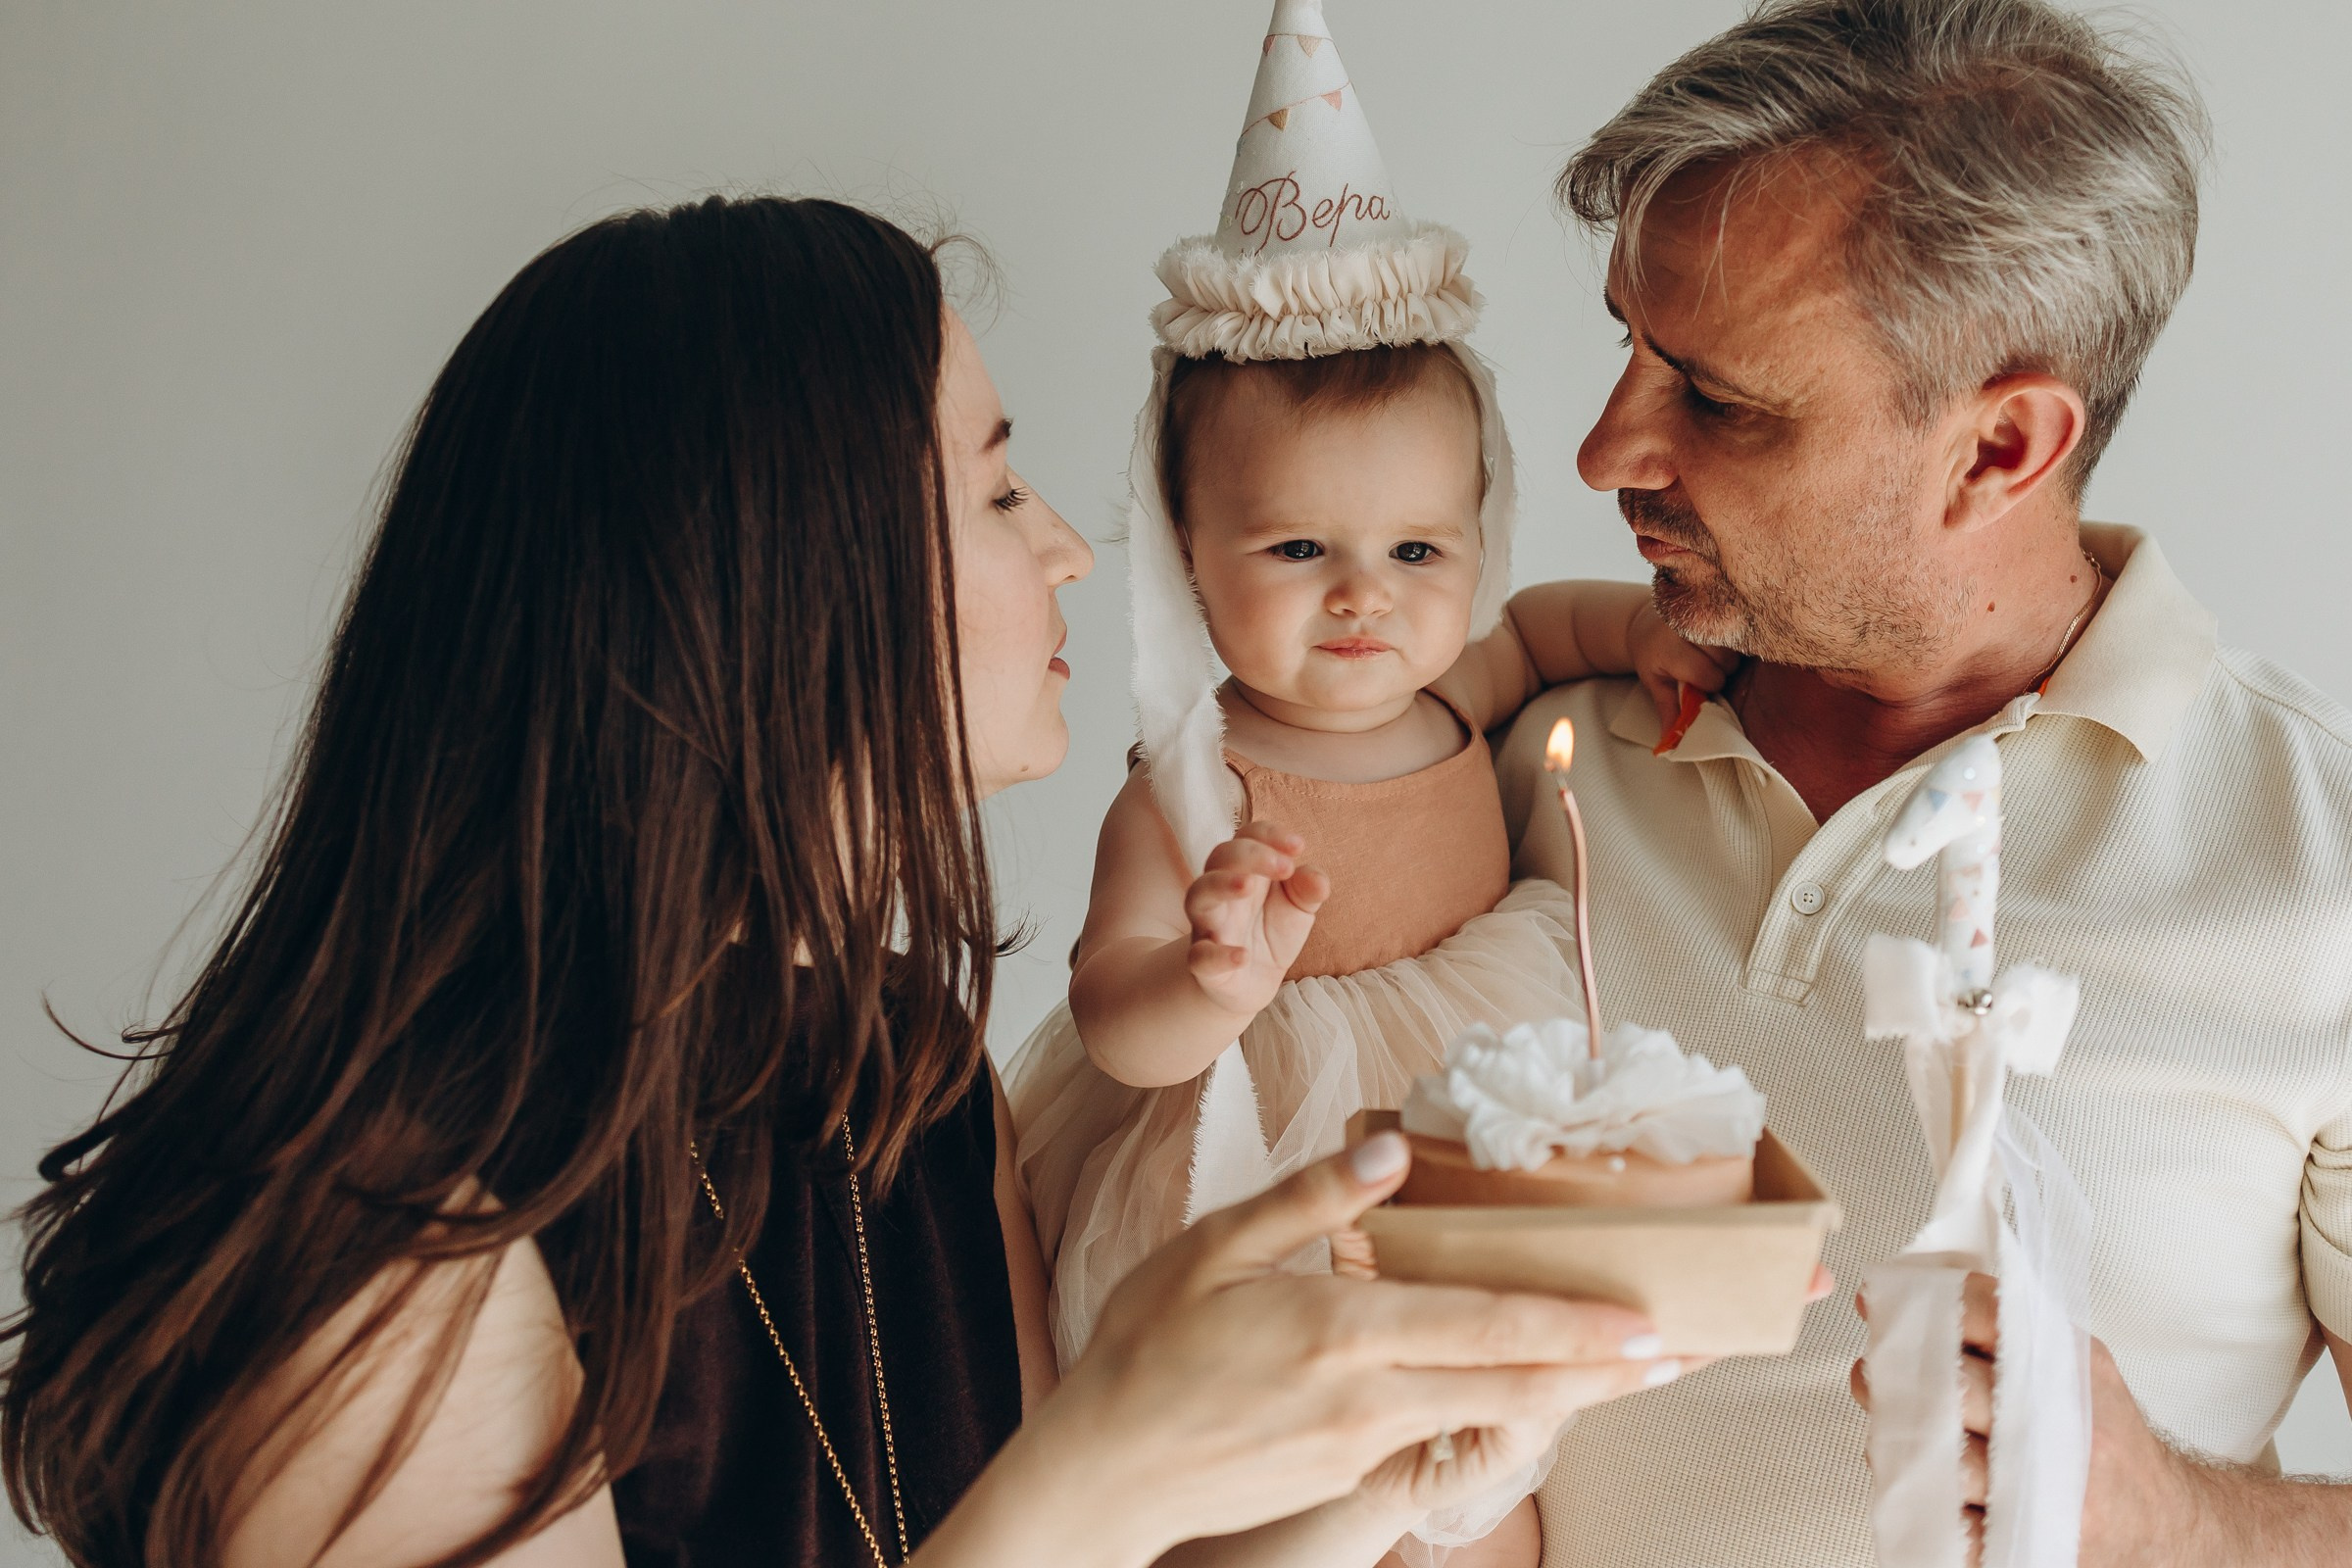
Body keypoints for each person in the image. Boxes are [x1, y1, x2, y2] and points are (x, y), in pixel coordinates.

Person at [0, 196, 1684, 1568]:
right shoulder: (391, 1268)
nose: (1074, 554)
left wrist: (1388, 1477)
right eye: (997, 487)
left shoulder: (905, 1074)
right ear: (779, 581)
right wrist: (1107, 1464)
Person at [1486, 2, 2352, 1565]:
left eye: (1720, 402)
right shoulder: (1521, 748)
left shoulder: (2322, 872)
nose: (1607, 449)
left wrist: (2186, 1520)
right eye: (1630, 346)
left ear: (2001, 448)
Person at [1007, 10, 1730, 1563]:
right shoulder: (1194, 783)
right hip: (1266, 1165)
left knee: (1492, 1483)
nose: (1363, 601)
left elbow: (1545, 631)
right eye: (1295, 553)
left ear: (1477, 535)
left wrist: (1650, 643)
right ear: (1190, 561)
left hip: (1462, 1125)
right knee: (1286, 1484)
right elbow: (1115, 1020)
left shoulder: (1460, 676)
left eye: (1416, 553)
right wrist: (1204, 973)